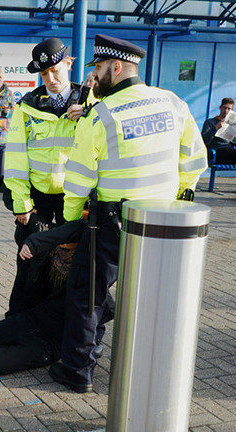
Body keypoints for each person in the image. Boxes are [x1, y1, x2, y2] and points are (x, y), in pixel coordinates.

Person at [51, 34, 207, 393]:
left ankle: (78, 371)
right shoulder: (173, 102)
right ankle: (149, 370)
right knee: (154, 296)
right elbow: (195, 158)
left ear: (116, 67)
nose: (96, 77)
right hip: (162, 222)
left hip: (109, 223)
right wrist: (179, 199)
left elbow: (77, 180)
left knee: (87, 294)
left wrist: (72, 221)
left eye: (100, 69)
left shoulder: (100, 115)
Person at [0, 38, 86, 316]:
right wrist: (21, 203)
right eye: (44, 73)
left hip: (72, 202)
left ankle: (54, 326)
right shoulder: (27, 106)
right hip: (36, 203)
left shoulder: (90, 104)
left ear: (68, 64)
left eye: (56, 70)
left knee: (65, 268)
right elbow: (15, 157)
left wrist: (87, 115)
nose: (50, 79)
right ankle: (18, 322)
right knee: (29, 266)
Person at [0, 221, 114, 377]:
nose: (62, 246)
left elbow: (102, 313)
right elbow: (26, 288)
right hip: (32, 319)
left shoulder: (90, 271)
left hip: (50, 342)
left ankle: (9, 345)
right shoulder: (48, 255)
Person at [201, 97, 236, 201]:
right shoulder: (210, 122)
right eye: (224, 108)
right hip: (216, 153)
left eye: (229, 109)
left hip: (230, 152)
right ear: (220, 107)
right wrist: (216, 128)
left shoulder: (231, 124)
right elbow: (203, 141)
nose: (226, 111)